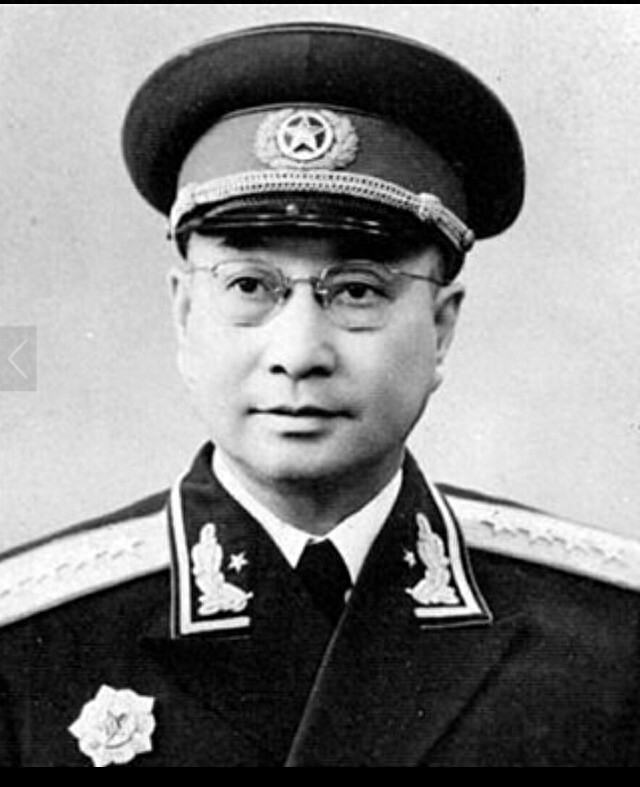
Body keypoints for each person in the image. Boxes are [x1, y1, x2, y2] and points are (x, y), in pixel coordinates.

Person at [1, 23, 639, 768]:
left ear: (440, 327)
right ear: (184, 313)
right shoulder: (30, 646)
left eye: (358, 290)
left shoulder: (607, 638)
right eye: (250, 286)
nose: (299, 353)